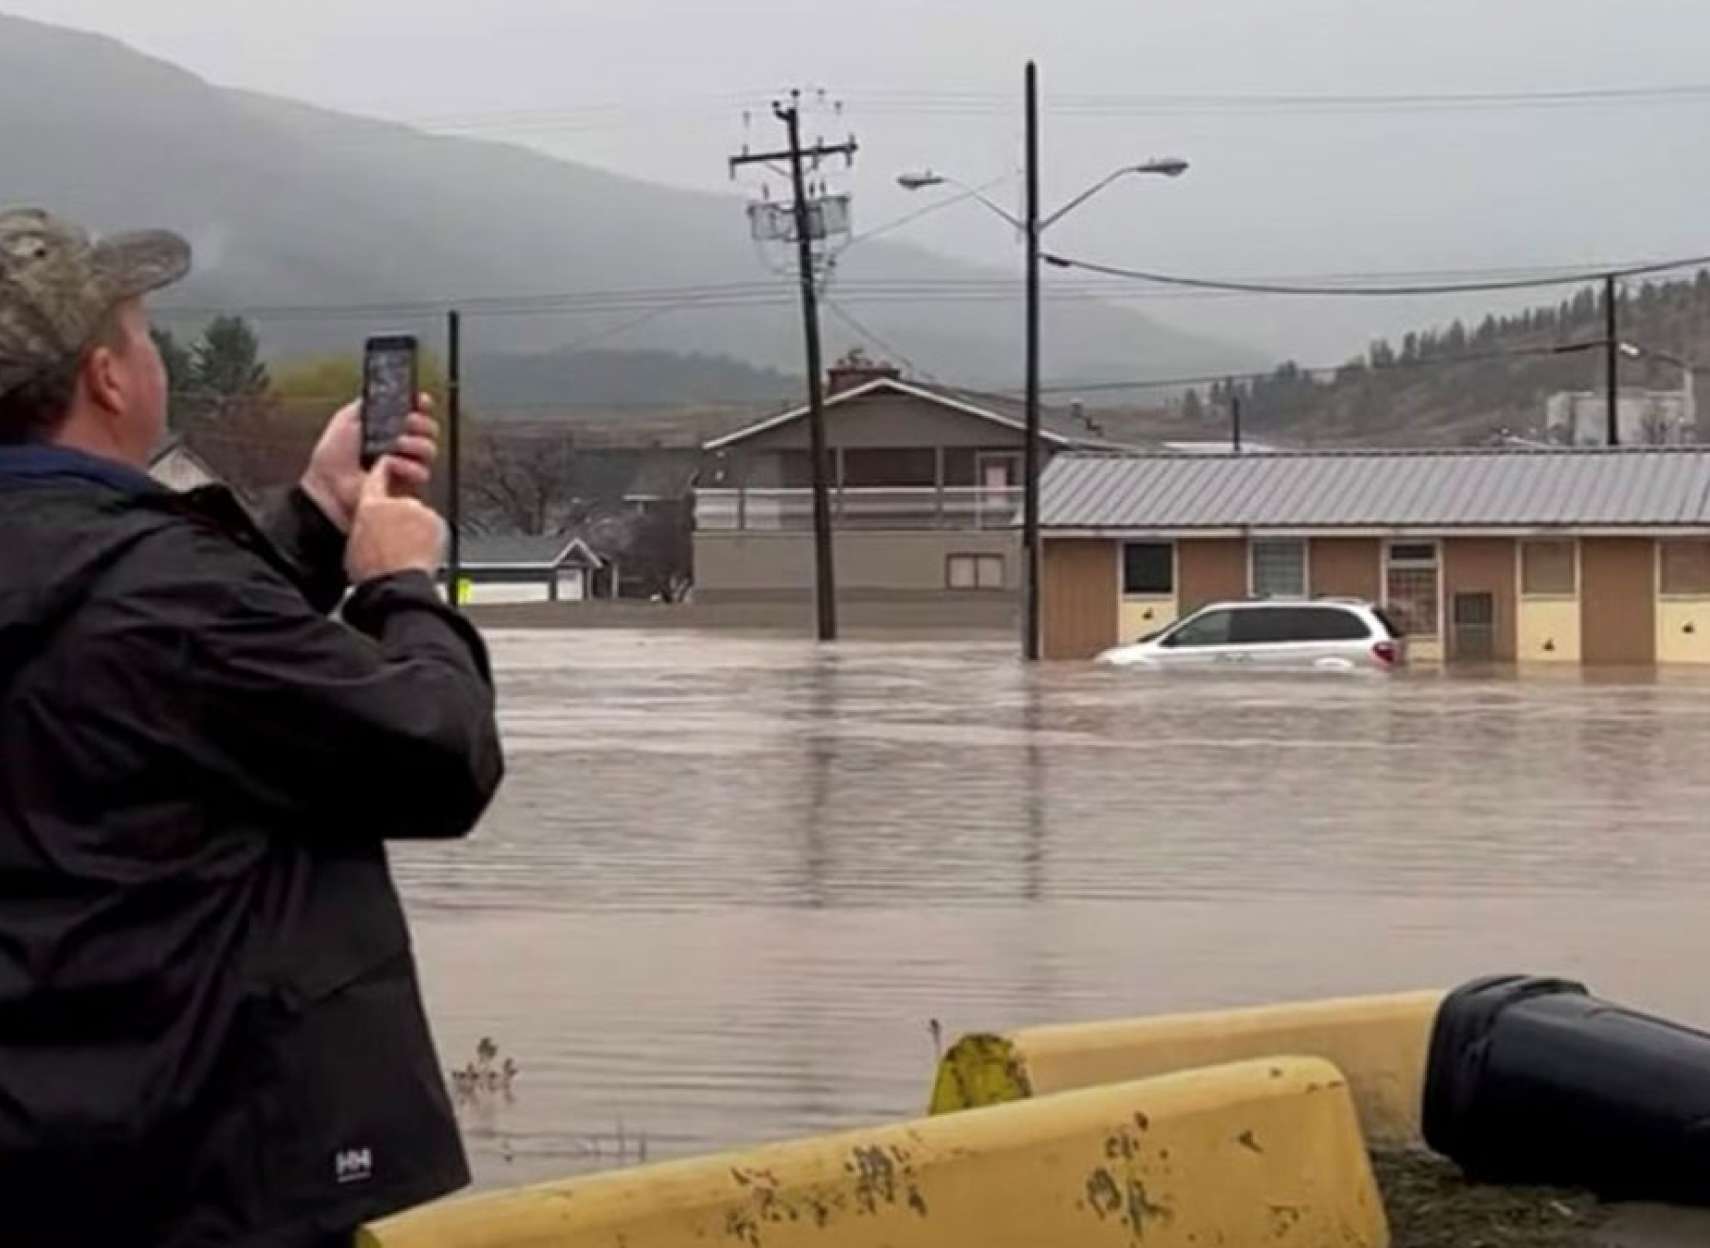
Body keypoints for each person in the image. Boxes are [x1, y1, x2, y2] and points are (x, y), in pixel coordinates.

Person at [0, 207, 505, 1246]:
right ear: (106, 377)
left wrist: (317, 515)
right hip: (199, 1178)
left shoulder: (154, 593)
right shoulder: (167, 593)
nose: (157, 362)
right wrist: (402, 585)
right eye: (144, 336)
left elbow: (168, 687)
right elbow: (435, 755)